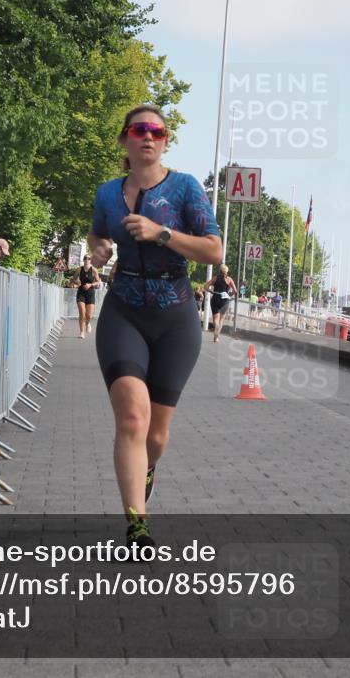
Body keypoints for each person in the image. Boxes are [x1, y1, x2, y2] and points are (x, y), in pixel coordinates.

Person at [87, 104, 222, 548]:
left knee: (156, 434)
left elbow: (213, 252)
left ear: (166, 141)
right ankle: (137, 526)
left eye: (158, 131)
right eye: (139, 130)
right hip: (124, 309)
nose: (149, 137)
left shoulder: (185, 189)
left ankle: (146, 467)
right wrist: (100, 248)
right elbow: (96, 233)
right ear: (125, 139)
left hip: (175, 315)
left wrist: (160, 233)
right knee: (131, 417)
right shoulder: (107, 193)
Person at [203, 264, 237, 343]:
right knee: (221, 319)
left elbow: (205, 286)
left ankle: (216, 326)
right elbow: (235, 291)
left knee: (216, 319)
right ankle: (216, 337)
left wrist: (212, 292)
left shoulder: (215, 278)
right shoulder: (229, 280)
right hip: (225, 300)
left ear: (220, 270)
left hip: (215, 298)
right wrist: (229, 295)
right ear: (227, 272)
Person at [73, 255, 101, 339]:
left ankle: (88, 323)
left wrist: (91, 284)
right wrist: (76, 282)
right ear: (83, 260)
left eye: (89, 259)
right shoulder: (79, 269)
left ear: (91, 260)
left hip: (90, 293)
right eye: (85, 258)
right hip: (81, 292)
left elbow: (98, 281)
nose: (87, 260)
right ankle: (82, 332)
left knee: (88, 315)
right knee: (82, 312)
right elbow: (74, 279)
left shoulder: (94, 270)